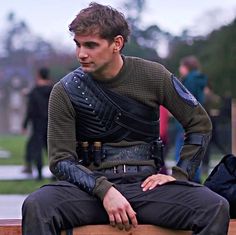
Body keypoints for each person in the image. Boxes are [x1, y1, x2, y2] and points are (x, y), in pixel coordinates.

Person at [22, 3, 229, 235]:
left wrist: (180, 175)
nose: (81, 53)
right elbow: (60, 161)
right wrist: (105, 191)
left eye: (91, 45)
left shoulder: (153, 75)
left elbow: (199, 123)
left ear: (117, 43)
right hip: (89, 192)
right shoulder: (64, 90)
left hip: (146, 187)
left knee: (214, 207)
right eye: (78, 44)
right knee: (38, 205)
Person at [174, 56, 208, 183]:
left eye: (181, 66)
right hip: (197, 122)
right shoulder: (199, 80)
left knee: (181, 154)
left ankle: (184, 180)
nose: (179, 69)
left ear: (186, 67)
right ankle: (195, 180)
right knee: (193, 154)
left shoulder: (189, 80)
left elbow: (186, 104)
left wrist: (185, 125)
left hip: (187, 124)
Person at [21, 67, 53, 180]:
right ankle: (55, 173)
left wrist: (24, 125)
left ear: (39, 75)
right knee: (51, 149)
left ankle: (39, 174)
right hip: (51, 123)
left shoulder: (34, 91)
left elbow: (30, 110)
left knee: (37, 149)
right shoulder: (53, 89)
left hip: (37, 123)